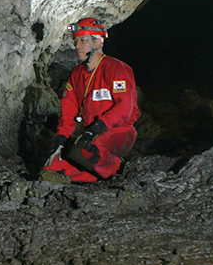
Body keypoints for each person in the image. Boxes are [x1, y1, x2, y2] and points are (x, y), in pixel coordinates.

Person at [40, 17, 140, 184]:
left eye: (83, 40)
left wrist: (97, 127)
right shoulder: (77, 74)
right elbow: (69, 111)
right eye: (76, 41)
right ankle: (90, 179)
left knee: (91, 148)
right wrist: (60, 140)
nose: (77, 46)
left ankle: (117, 173)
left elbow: (125, 107)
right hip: (90, 133)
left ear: (97, 42)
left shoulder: (116, 68)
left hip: (119, 131)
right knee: (52, 165)